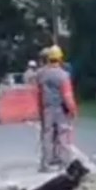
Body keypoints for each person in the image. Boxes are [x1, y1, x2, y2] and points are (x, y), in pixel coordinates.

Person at [34, 44, 78, 172]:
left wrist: (40, 110)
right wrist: (73, 110)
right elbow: (67, 95)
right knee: (63, 135)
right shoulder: (63, 75)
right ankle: (65, 163)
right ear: (60, 59)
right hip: (60, 109)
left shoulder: (41, 74)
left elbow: (39, 92)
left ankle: (45, 164)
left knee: (47, 136)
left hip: (46, 108)